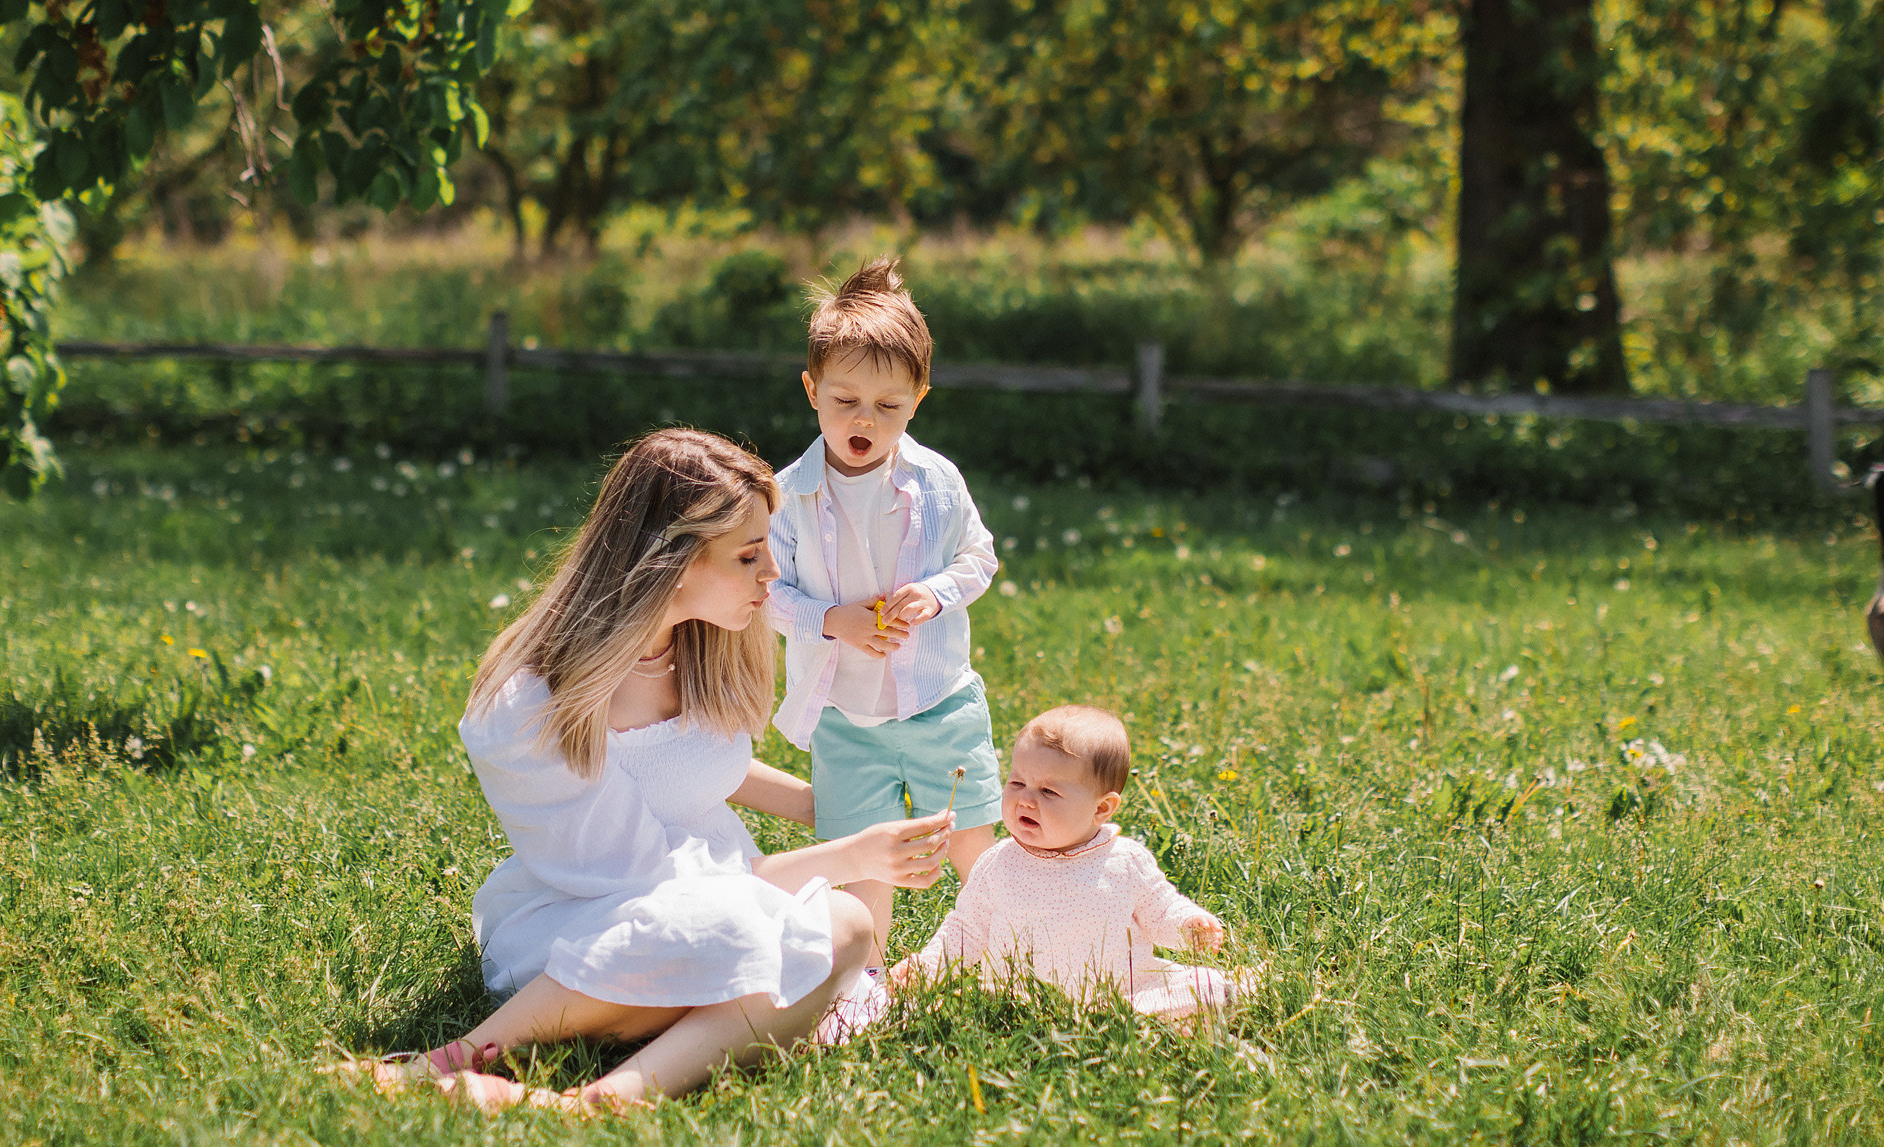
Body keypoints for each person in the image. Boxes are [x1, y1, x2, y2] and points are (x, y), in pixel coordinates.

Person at [364, 429, 952, 1114]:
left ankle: (602, 1101)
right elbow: (649, 885)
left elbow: (692, 765)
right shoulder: (532, 705)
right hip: (591, 925)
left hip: (710, 894)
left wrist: (835, 807)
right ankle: (462, 1054)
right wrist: (850, 851)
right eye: (749, 555)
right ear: (671, 560)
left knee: (846, 925)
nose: (772, 574)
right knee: (754, 939)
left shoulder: (697, 644)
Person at [765, 258, 1004, 944]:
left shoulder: (936, 480)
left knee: (972, 850)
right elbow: (765, 592)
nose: (864, 419)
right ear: (812, 390)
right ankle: (865, 979)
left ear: (918, 398)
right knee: (864, 867)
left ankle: (1018, 947)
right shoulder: (789, 494)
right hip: (846, 716)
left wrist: (934, 593)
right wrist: (828, 619)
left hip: (940, 702)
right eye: (845, 400)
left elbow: (978, 557)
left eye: (888, 406)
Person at [895, 705, 1252, 1020]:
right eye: (1017, 782)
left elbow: (1159, 911)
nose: (1025, 800)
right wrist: (927, 968)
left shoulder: (1125, 860)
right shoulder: (998, 864)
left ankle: (1157, 1013)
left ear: (1101, 809)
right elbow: (967, 929)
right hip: (1019, 1000)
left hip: (1121, 990)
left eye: (1048, 792)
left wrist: (1188, 926)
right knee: (991, 1012)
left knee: (1204, 985)